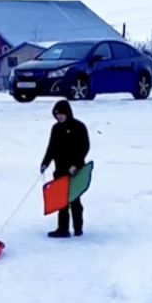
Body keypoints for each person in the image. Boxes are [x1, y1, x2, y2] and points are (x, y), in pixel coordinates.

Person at [40, 99, 90, 238]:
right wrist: (45, 162)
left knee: (74, 199)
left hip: (75, 169)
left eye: (61, 114)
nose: (59, 117)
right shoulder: (56, 129)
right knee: (61, 200)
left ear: (67, 113)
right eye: (56, 115)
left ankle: (78, 227)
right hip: (60, 169)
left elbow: (84, 147)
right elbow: (51, 148)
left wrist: (75, 164)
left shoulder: (79, 127)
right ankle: (63, 229)